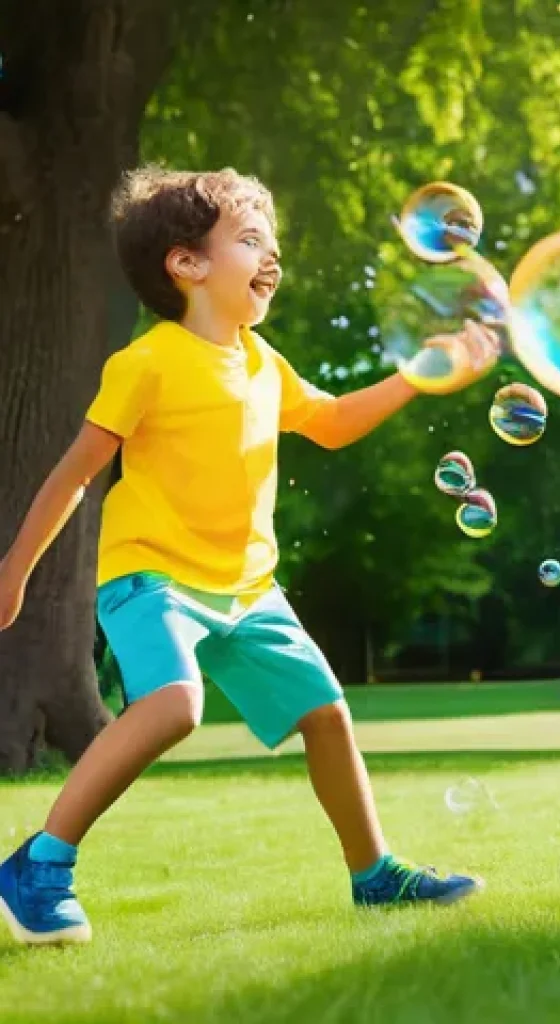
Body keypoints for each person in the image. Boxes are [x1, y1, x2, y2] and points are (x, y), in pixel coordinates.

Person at [0, 167, 498, 944]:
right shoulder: (148, 362)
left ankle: (374, 876)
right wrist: (15, 569)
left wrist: (419, 377)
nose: (272, 256)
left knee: (327, 714)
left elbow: (329, 422)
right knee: (174, 704)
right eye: (251, 238)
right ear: (186, 264)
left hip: (246, 584)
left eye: (272, 240)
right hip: (151, 575)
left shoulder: (263, 361)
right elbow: (74, 475)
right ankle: (40, 863)